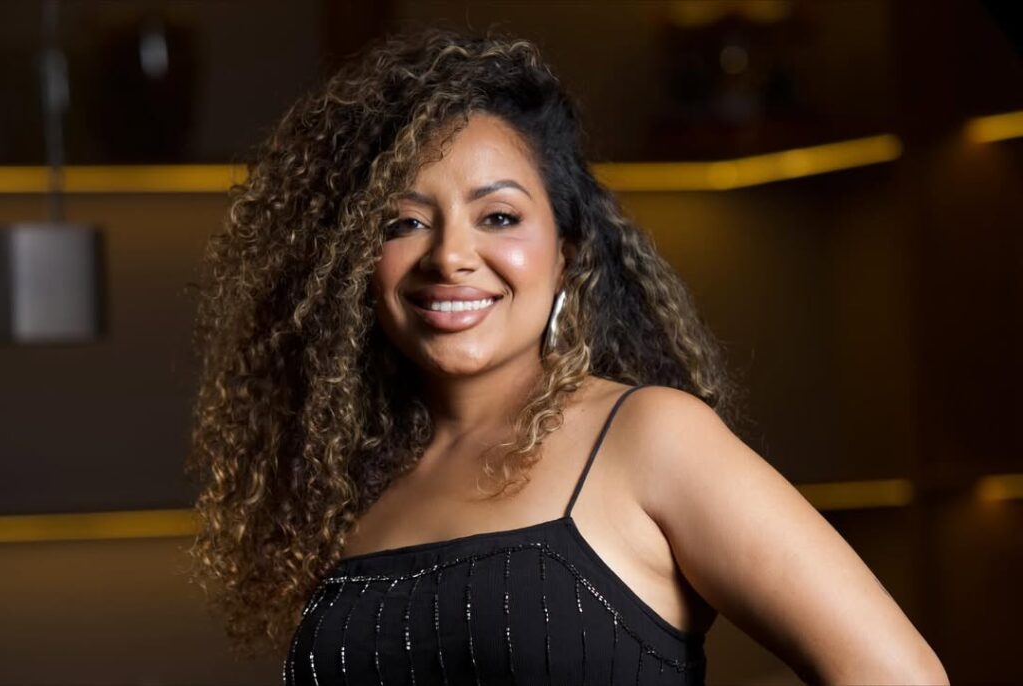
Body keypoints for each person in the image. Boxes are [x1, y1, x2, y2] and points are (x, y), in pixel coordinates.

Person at [186, 27, 949, 685]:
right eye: (403, 223)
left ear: (567, 251)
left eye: (498, 216)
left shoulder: (650, 438)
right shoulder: (347, 487)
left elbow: (897, 676)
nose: (450, 256)